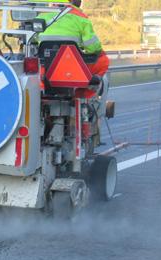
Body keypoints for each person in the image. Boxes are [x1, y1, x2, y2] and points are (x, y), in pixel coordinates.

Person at [37, 0, 110, 150]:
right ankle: (84, 91)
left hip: (45, 73)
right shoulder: (81, 17)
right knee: (103, 60)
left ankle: (41, 86)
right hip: (69, 71)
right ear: (78, 3)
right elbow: (93, 46)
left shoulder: (43, 15)